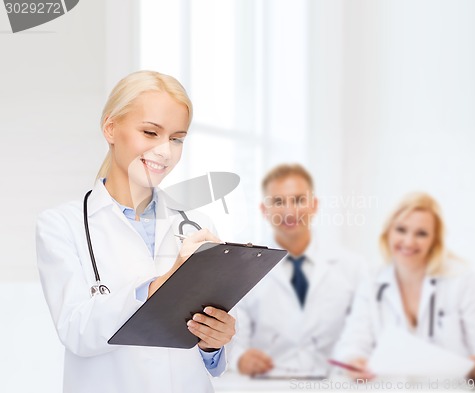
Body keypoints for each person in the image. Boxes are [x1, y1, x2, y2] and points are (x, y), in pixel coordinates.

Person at [36, 70, 236, 393]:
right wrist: (161, 286)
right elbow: (76, 330)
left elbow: (213, 362)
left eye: (176, 138)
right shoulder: (62, 225)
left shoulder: (199, 226)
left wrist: (214, 343)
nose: (165, 151)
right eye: (150, 132)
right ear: (110, 128)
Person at [332, 192, 475, 380]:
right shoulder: (372, 282)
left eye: (421, 233)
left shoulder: (461, 279)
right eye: (401, 230)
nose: (409, 241)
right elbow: (352, 343)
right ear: (388, 231)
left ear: (434, 240)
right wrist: (354, 361)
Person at [231, 164, 364, 377]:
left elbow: (361, 332)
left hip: (333, 385)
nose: (289, 211)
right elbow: (233, 340)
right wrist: (240, 359)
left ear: (314, 205)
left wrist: (355, 358)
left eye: (299, 200)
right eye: (278, 201)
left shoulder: (352, 267)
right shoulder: (243, 270)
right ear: (264, 210)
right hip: (268, 386)